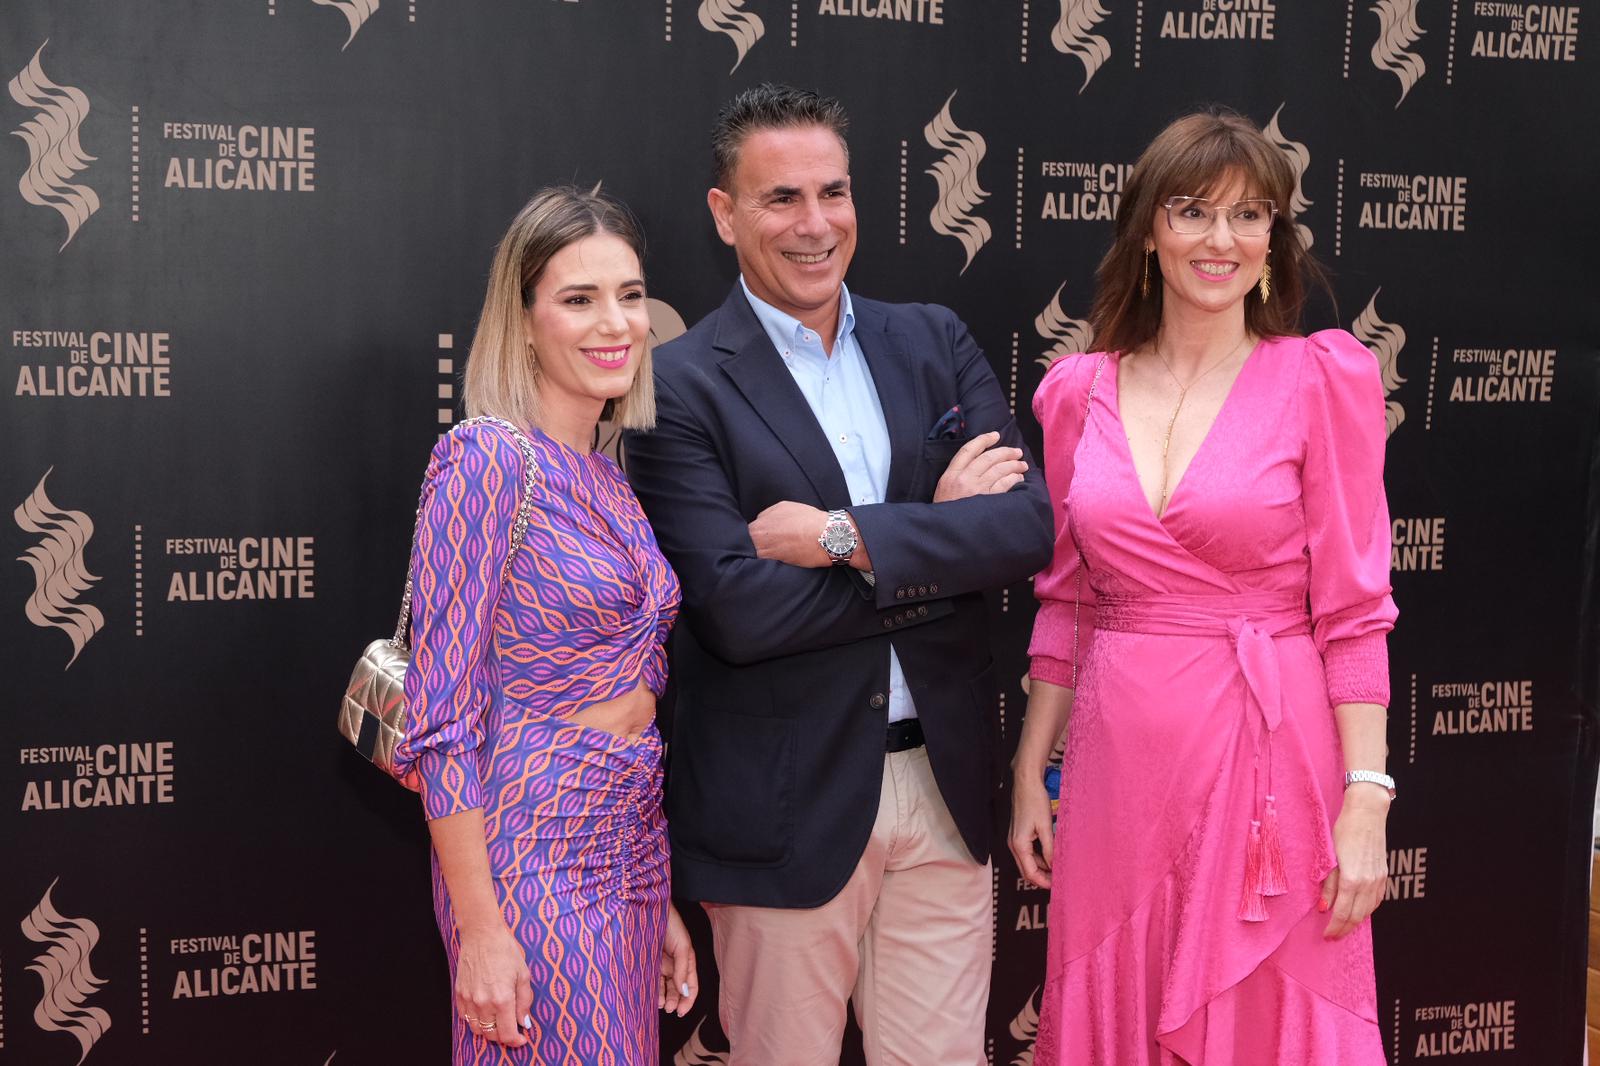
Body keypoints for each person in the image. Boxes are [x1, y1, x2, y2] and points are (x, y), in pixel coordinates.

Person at [624, 84, 1053, 1066]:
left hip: (943, 791)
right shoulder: (677, 385)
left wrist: (840, 537)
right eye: (781, 199)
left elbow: (1025, 527)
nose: (815, 224)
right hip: (781, 809)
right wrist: (938, 534)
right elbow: (736, 611)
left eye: (834, 192)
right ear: (725, 214)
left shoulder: (933, 340)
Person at [1008, 108, 1397, 1064]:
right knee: (1118, 998)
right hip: (1116, 774)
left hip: (1271, 760)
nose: (1221, 239)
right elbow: (1068, 601)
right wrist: (1029, 770)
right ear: (1149, 229)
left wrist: (1367, 798)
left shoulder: (1320, 379)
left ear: (1273, 238)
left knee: (1269, 1006)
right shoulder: (1075, 394)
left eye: (1250, 215)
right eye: (1193, 211)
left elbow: (1353, 612)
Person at [389, 186, 697, 1065]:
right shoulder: (486, 459)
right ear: (523, 321)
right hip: (531, 852)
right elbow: (440, 715)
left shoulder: (606, 474)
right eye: (579, 298)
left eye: (630, 295)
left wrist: (661, 896)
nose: (618, 323)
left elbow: (630, 689)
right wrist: (482, 930)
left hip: (629, 849)